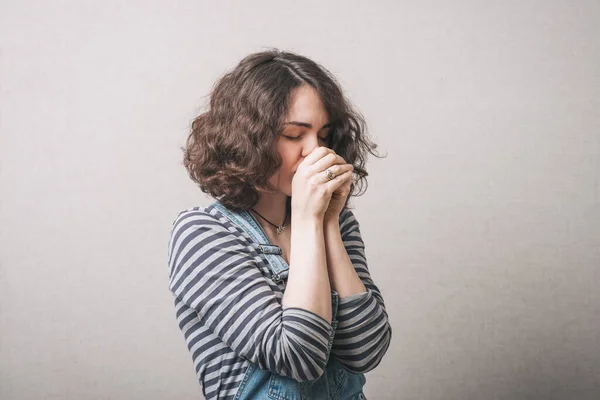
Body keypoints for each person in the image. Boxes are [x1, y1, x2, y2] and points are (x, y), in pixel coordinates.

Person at [167, 48, 392, 400]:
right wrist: (306, 221)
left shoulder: (338, 222)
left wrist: (328, 222)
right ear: (248, 138)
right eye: (293, 135)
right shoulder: (202, 234)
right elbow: (297, 357)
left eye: (323, 134)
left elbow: (367, 349)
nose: (315, 151)